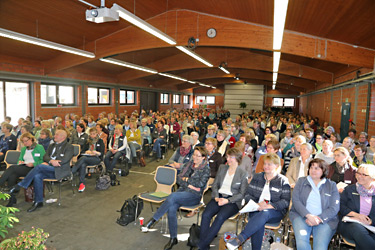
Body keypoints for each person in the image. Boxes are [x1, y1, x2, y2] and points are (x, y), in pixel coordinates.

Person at [141, 147, 210, 250]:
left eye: (197, 156)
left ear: (203, 158)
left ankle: (153, 220)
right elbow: (179, 179)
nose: (194, 157)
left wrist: (187, 181)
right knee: (171, 208)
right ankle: (173, 238)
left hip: (194, 196)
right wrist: (189, 183)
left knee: (172, 196)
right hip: (182, 192)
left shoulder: (206, 169)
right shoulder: (189, 164)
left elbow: (200, 184)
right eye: (194, 154)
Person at [226, 153, 291, 250]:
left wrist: (269, 206)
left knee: (263, 214)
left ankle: (240, 239)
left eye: (269, 164)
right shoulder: (257, 177)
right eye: (265, 164)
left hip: (275, 212)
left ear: (276, 166)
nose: (266, 166)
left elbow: (285, 202)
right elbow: (247, 195)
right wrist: (256, 204)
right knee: (259, 220)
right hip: (256, 208)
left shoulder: (283, 180)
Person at [9, 130, 74, 212]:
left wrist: (51, 162)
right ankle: (38, 201)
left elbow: (65, 160)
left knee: (39, 167)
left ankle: (20, 185)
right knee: (37, 176)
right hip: (50, 168)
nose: (54, 136)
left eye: (56, 135)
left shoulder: (69, 147)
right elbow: (45, 157)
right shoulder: (51, 145)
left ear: (63, 137)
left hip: (61, 170)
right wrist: (51, 161)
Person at [198, 148, 248, 250]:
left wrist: (228, 200)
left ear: (237, 159)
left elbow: (242, 194)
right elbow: (215, 184)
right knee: (206, 214)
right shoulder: (222, 168)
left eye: (231, 157)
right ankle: (204, 245)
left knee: (220, 217)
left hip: (232, 201)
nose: (228, 159)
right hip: (219, 197)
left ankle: (202, 245)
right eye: (227, 156)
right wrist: (216, 196)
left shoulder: (243, 173)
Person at [290, 158, 340, 250]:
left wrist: (319, 218)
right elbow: (296, 201)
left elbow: (334, 208)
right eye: (311, 167)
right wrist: (308, 216)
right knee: (302, 244)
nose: (313, 170)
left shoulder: (331, 185)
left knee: (320, 247)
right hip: (302, 217)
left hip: (325, 220)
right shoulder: (301, 181)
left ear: (324, 170)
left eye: (317, 168)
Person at [1, 133, 45, 206]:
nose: (25, 143)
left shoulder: (39, 147)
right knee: (12, 175)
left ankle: (1, 184)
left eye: (26, 141)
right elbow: (20, 159)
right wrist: (20, 162)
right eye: (23, 141)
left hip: (34, 169)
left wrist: (33, 164)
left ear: (31, 139)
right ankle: (12, 200)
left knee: (12, 168)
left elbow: (43, 161)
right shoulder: (24, 149)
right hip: (24, 167)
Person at [338, 164, 375, 249]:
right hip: (350, 224)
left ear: (372, 178)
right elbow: (341, 207)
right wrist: (357, 215)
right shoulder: (349, 189)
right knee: (358, 230)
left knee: (362, 242)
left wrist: (371, 222)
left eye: (364, 174)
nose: (359, 176)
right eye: (358, 173)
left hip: (371, 226)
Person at [72, 128, 104, 192]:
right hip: (87, 158)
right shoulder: (87, 141)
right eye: (91, 134)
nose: (92, 135)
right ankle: (82, 183)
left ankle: (73, 171)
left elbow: (102, 153)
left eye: (94, 134)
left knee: (83, 159)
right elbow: (82, 151)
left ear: (96, 134)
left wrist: (95, 152)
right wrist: (87, 151)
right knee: (83, 164)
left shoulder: (100, 141)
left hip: (96, 158)